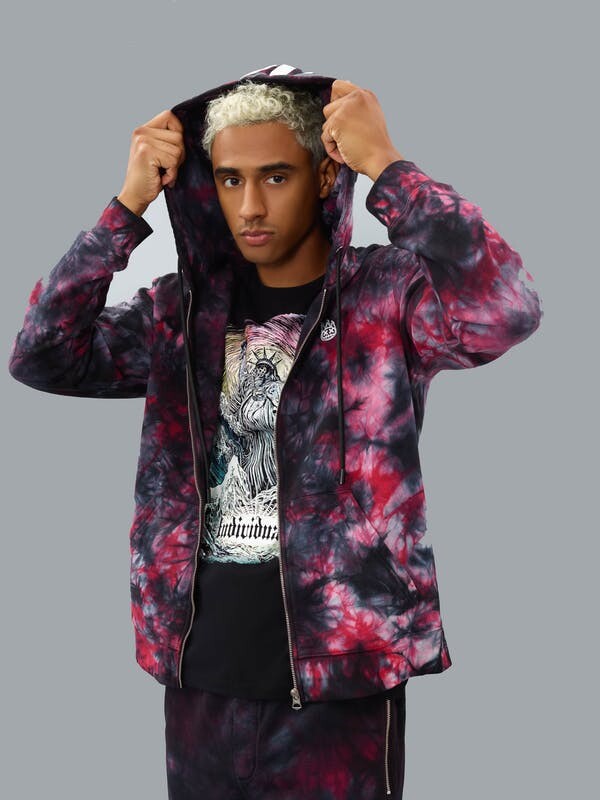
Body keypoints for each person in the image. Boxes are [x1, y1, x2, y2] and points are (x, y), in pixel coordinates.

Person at [7, 63, 543, 799]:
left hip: (339, 677)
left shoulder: (385, 297)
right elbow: (42, 355)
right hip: (200, 675)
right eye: (230, 180)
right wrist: (126, 208)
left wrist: (389, 167)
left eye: (276, 177)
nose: (250, 205)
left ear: (323, 176)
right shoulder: (180, 312)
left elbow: (505, 309)